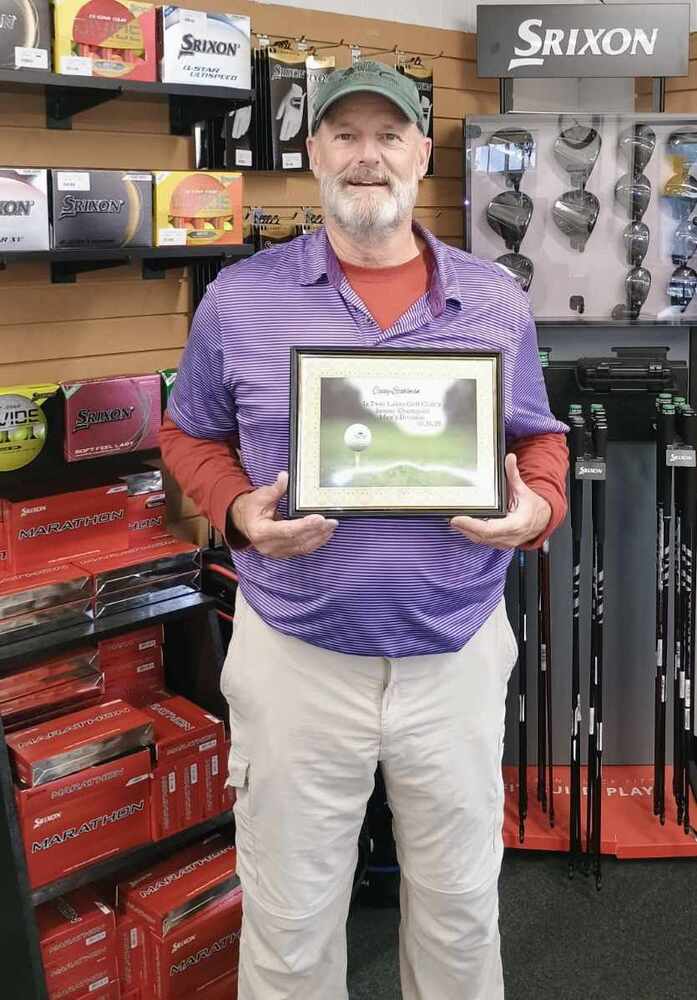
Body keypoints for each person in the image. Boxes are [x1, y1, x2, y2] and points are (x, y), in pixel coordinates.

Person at [160, 61, 568, 1000]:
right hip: (294, 654)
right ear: (313, 155)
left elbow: (536, 436)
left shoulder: (493, 299)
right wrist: (234, 509)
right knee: (292, 918)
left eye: (389, 135)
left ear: (422, 153)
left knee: (461, 907)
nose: (367, 156)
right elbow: (188, 429)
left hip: (455, 652)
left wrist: (535, 507)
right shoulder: (241, 298)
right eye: (345, 135)